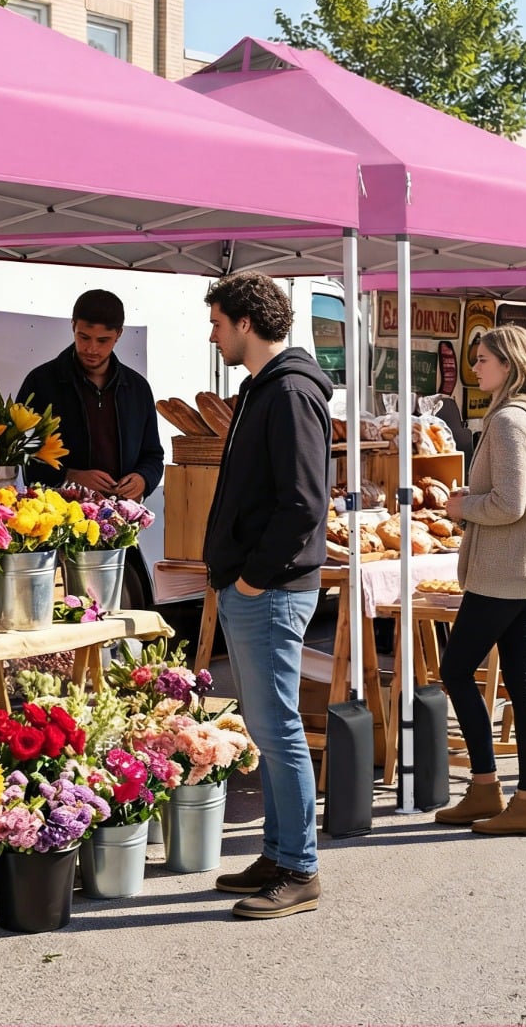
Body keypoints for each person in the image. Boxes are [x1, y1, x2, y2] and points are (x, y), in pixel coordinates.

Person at [203, 272, 332, 919]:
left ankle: (301, 868)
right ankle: (280, 853)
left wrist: (253, 576)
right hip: (257, 586)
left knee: (278, 730)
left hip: (272, 590)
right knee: (267, 727)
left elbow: (305, 503)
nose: (213, 334)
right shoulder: (266, 390)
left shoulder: (289, 394)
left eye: (219, 323)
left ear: (246, 324)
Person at [435, 324, 526, 837]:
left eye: (484, 359)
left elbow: (510, 504)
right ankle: (516, 797)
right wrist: (477, 495)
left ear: (509, 364)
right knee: (522, 684)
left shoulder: (510, 419)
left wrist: (464, 506)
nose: (477, 367)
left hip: (503, 574)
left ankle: (492, 786)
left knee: (457, 671)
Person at [17, 288, 164, 603]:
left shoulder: (137, 388)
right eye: (84, 337)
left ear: (118, 335)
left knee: (128, 612)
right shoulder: (40, 383)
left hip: (117, 529)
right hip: (56, 529)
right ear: (72, 326)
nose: (92, 349)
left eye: (103, 341)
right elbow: (24, 455)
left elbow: (154, 455)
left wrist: (143, 479)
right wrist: (72, 475)